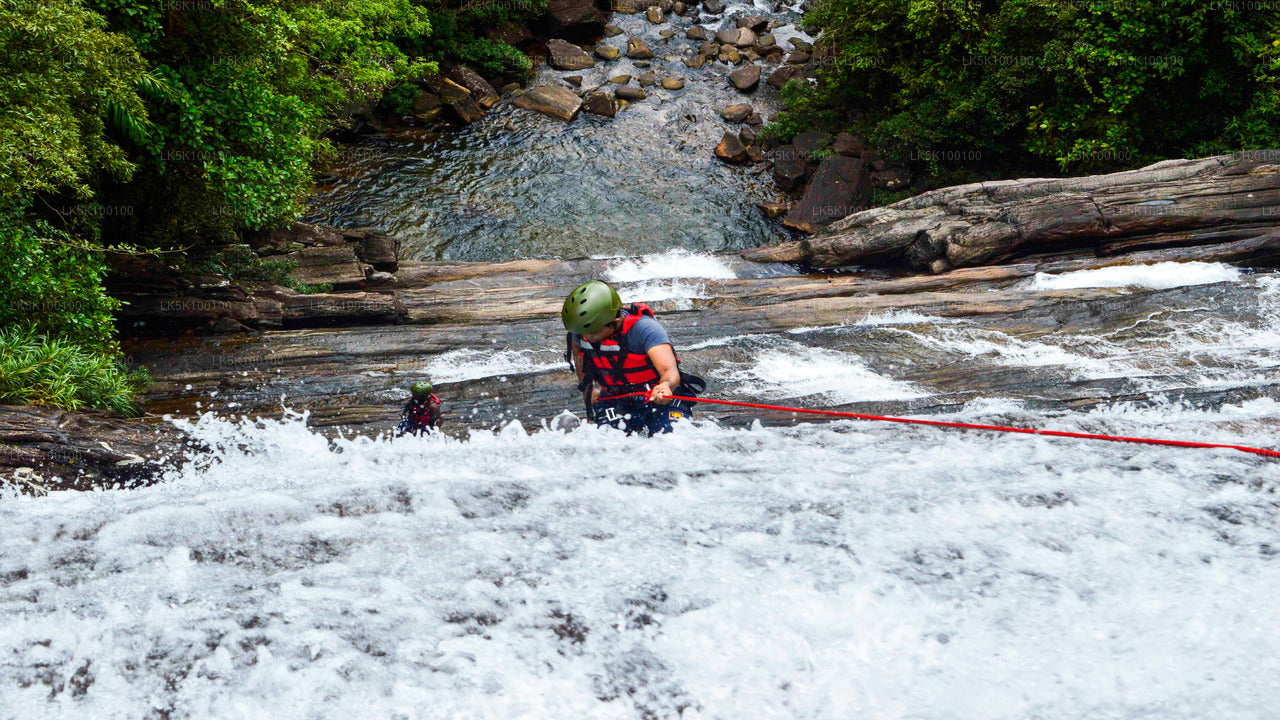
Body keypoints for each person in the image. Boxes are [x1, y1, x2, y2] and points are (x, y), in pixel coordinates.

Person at [562, 280, 703, 436]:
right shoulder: (581, 332)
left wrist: (665, 386)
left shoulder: (644, 329)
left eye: (592, 333)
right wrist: (590, 401)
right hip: (617, 398)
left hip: (660, 397)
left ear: (614, 323)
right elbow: (584, 375)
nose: (586, 337)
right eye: (581, 332)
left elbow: (670, 371)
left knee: (671, 438)